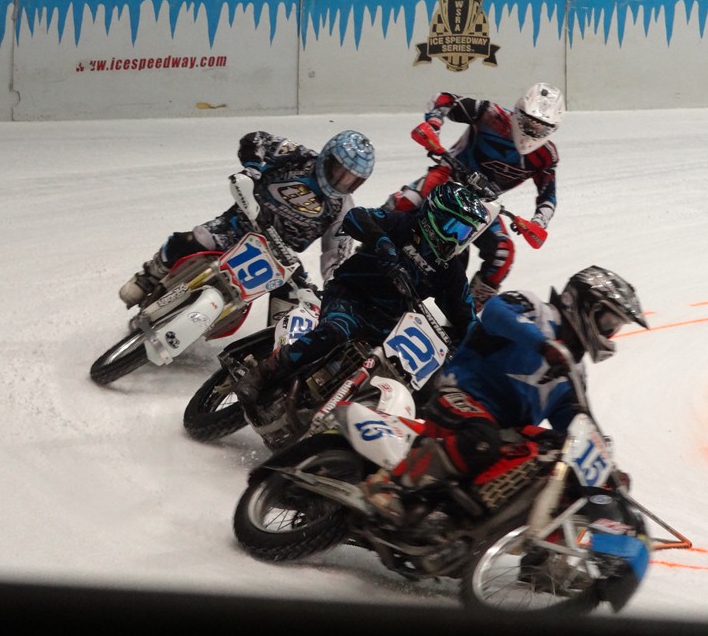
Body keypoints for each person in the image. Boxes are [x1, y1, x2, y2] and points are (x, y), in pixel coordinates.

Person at [362, 265, 649, 523]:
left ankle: (530, 546)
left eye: (615, 326)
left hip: (507, 430)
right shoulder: (536, 310)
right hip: (460, 396)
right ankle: (390, 484)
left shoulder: (575, 370)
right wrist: (542, 344)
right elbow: (495, 311)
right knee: (481, 438)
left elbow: (574, 421)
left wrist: (605, 469)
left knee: (559, 459)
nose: (610, 332)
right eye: (609, 322)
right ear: (585, 306)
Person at [232, 182, 491, 419]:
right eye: (454, 227)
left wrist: (481, 349)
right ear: (436, 215)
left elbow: (465, 315)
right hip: (350, 295)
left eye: (465, 232)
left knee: (407, 379)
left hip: (387, 324)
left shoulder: (450, 271)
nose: (457, 238)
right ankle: (263, 373)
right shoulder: (402, 223)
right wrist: (382, 242)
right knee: (336, 331)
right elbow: (356, 216)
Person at [119, 130, 376, 319]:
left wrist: (334, 287)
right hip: (239, 225)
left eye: (351, 180)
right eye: (339, 172)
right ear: (327, 157)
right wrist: (252, 168)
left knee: (294, 305)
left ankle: (273, 355)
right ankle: (148, 278)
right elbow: (257, 139)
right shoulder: (298, 156)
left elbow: (337, 254)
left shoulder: (344, 209)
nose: (341, 182)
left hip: (280, 257)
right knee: (192, 240)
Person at [384, 83, 564, 312]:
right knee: (405, 202)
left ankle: (463, 316)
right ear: (519, 112)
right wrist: (433, 125)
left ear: (552, 129)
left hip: (483, 205)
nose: (533, 131)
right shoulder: (491, 114)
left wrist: (537, 223)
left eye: (541, 128)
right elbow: (443, 98)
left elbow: (548, 196)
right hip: (448, 177)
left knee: (503, 254)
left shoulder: (546, 156)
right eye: (529, 122)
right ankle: (366, 245)